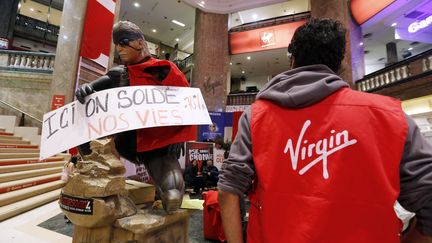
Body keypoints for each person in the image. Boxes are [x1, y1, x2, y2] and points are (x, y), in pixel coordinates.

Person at [218, 18, 432, 243]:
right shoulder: (391, 117)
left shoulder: (256, 117)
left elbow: (228, 190)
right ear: (341, 64)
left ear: (292, 60)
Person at [75, 21, 196, 213]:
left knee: (172, 187)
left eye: (123, 42)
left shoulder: (164, 71)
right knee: (85, 131)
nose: (119, 49)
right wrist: (84, 90)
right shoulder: (118, 75)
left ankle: (170, 196)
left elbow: (186, 104)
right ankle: (92, 175)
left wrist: (177, 137)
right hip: (123, 140)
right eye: (117, 44)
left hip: (155, 142)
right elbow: (92, 89)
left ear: (139, 43)